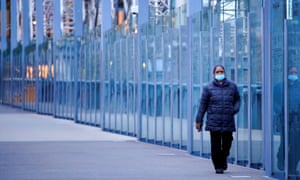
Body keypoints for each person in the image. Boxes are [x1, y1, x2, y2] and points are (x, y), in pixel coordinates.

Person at [195, 65, 241, 174]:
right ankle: (218, 166)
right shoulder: (208, 88)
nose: (220, 73)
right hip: (213, 120)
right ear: (214, 74)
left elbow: (237, 99)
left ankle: (224, 157)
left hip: (227, 120)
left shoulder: (232, 86)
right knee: (215, 146)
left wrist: (234, 109)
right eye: (217, 72)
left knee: (227, 143)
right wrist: (198, 120)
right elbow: (203, 105)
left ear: (224, 72)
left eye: (221, 71)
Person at [275, 66, 300, 175]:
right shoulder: (279, 87)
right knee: (286, 142)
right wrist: (281, 112)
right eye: (291, 72)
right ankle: (281, 157)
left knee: (297, 145)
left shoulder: (299, 86)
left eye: (295, 72)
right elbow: (275, 102)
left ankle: (292, 167)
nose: (293, 74)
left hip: (297, 120)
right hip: (284, 119)